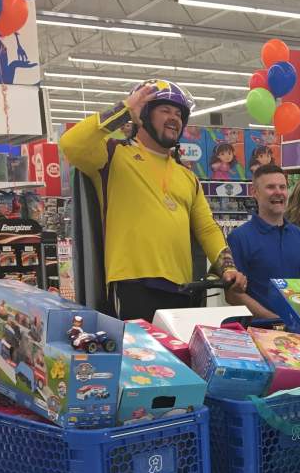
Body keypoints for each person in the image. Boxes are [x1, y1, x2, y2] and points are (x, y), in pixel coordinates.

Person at [59, 80, 247, 321]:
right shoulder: (113, 155)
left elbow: (207, 228)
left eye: (179, 113)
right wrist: (125, 109)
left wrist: (228, 268)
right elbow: (71, 143)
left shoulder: (187, 176)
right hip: (132, 285)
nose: (174, 118)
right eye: (165, 110)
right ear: (144, 115)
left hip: (183, 289)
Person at [225, 164, 300, 319]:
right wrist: (274, 320)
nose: (278, 192)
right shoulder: (239, 238)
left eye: (282, 187)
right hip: (257, 332)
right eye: (270, 187)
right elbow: (233, 294)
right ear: (254, 192)